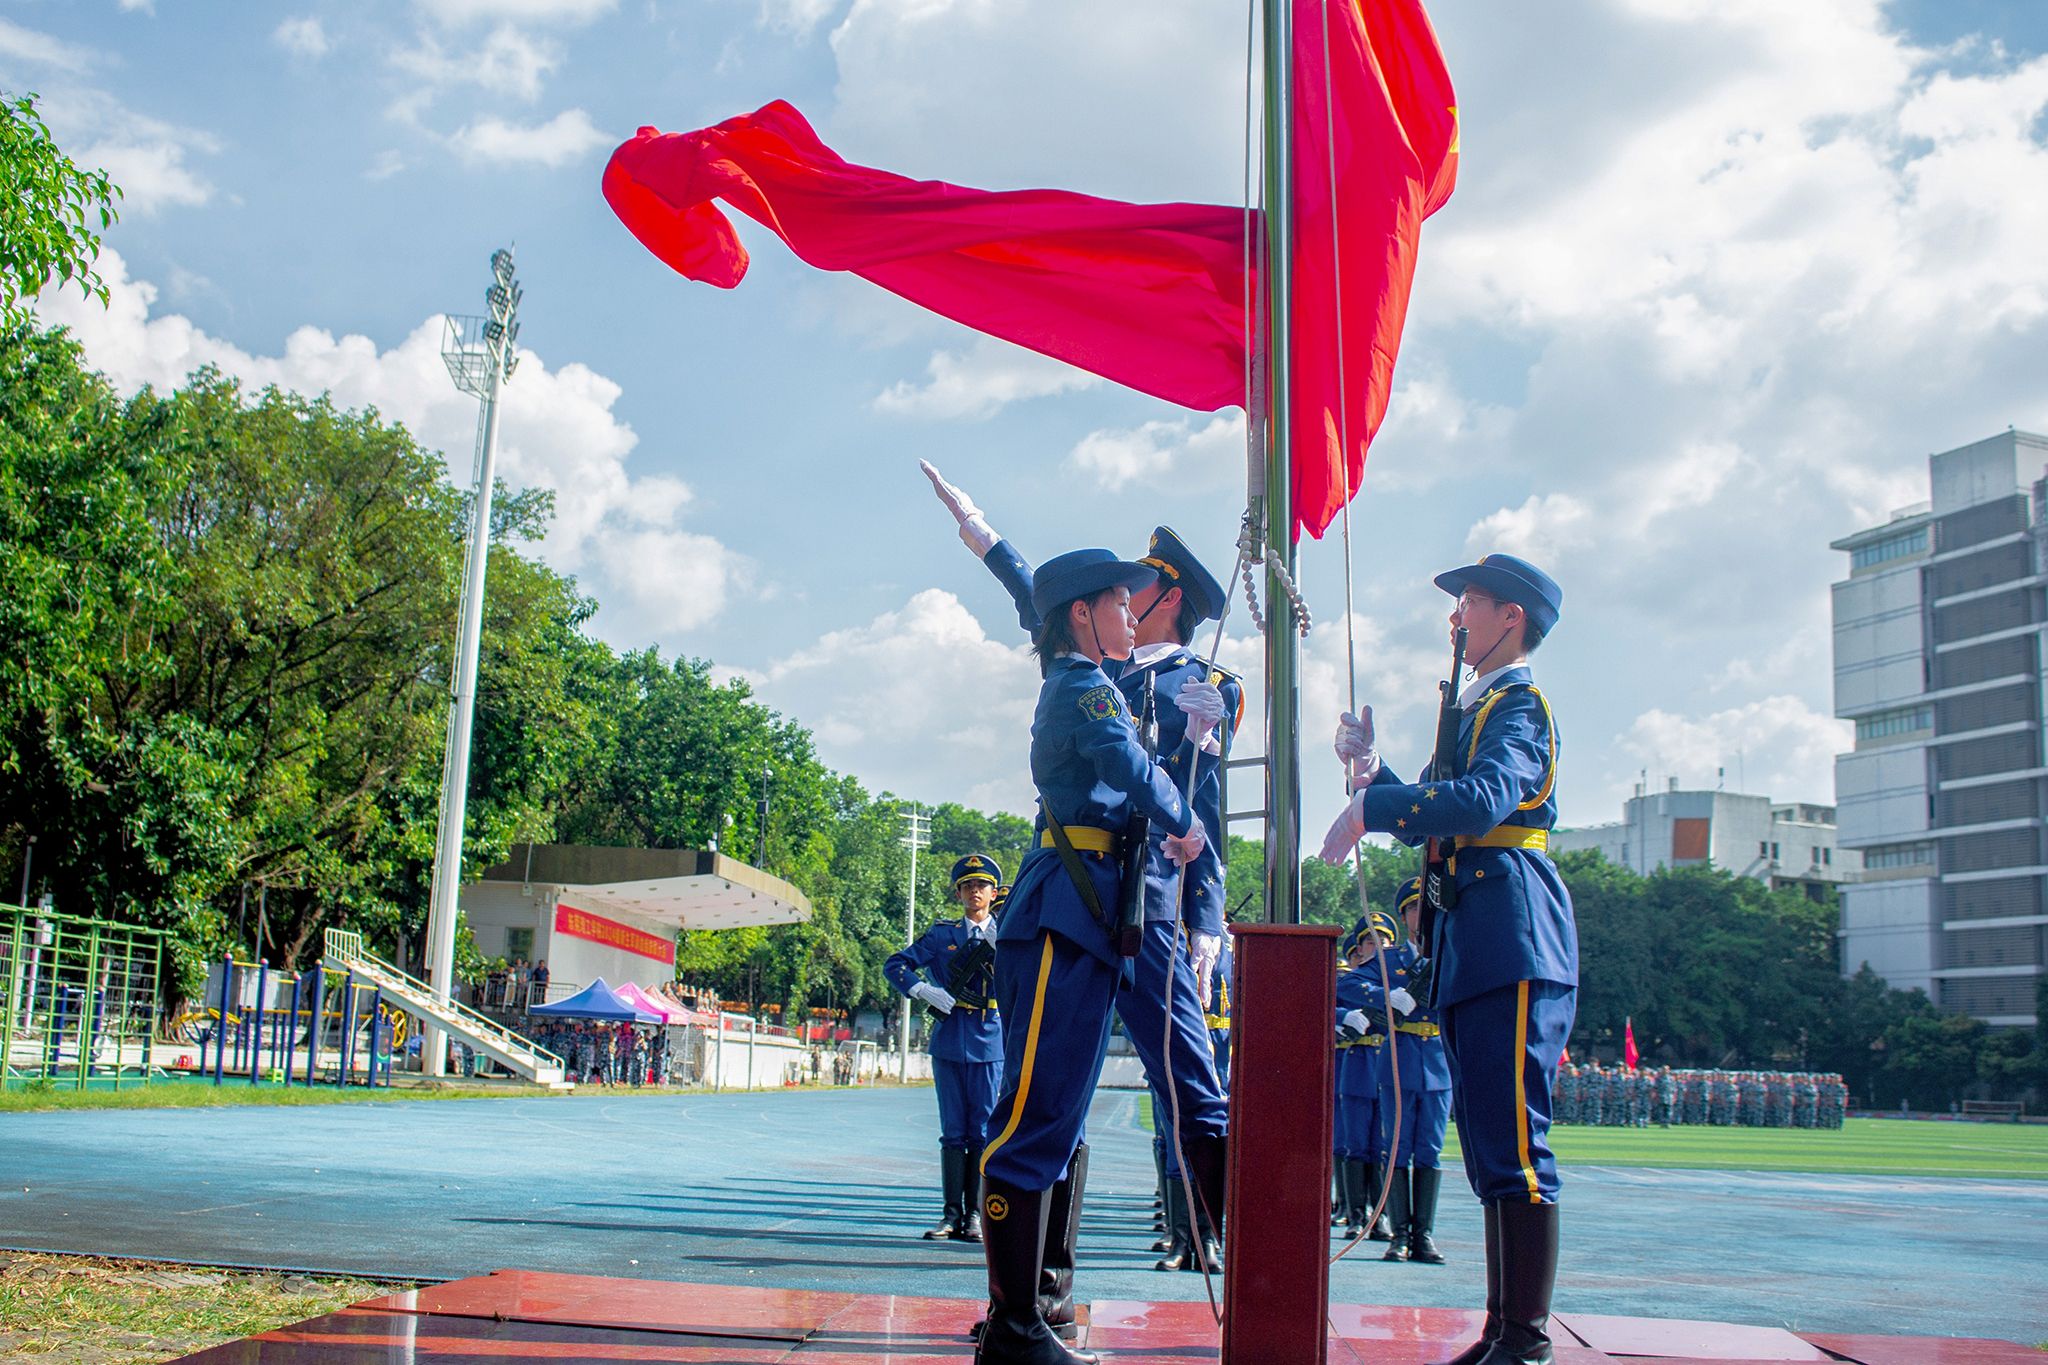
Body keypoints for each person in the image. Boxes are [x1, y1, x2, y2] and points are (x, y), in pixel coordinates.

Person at [926, 464, 1240, 1289]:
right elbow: (1043, 597)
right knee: (1050, 1095)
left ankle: (1248, 1271)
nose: (1129, 606)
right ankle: (1038, 1294)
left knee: (1196, 1089)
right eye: (1118, 595)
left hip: (1153, 904)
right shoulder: (1088, 667)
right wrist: (984, 537)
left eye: (1141, 591)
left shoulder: (1203, 685)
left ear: (1167, 598)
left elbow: (1202, 796)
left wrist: (1206, 920)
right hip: (1075, 894)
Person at [1318, 551, 1575, 1365]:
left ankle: (1525, 1340)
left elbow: (1483, 800)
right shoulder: (1474, 708)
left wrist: (1371, 803)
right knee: (1491, 1147)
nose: (1456, 616)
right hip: (1475, 936)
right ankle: (1505, 1331)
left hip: (1513, 928)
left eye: (1470, 601)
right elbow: (1436, 815)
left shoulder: (1518, 705)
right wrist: (1373, 771)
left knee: (1516, 1147)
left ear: (1513, 618)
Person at [973, 548, 1205, 1365]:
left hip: (1093, 912)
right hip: (1062, 915)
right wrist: (1186, 815)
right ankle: (1013, 1327)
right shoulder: (1080, 686)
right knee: (1032, 1123)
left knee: (1056, 1119)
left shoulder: (1096, 683)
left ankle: (1029, 1317)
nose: (1132, 616)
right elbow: (1129, 767)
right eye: (1119, 601)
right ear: (1082, 613)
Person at [885, 853, 1007, 1243]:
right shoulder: (942, 936)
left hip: (990, 1039)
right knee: (953, 1131)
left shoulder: (1008, 932)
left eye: (982, 885)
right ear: (959, 893)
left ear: (992, 893)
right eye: (968, 885)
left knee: (983, 1131)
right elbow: (896, 965)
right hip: (951, 1038)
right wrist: (923, 989)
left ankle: (975, 1215)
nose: (976, 892)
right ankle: (950, 1214)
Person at [1339, 885, 1453, 1265]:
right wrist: (1386, 995)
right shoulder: (1392, 960)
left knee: (1430, 1151)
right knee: (1397, 1149)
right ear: (1404, 917)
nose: (1421, 915)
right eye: (1414, 909)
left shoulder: (1451, 954)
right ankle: (1399, 1235)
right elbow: (1347, 983)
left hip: (1438, 1059)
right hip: (1399, 1057)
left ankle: (1424, 1234)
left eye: (1428, 907)